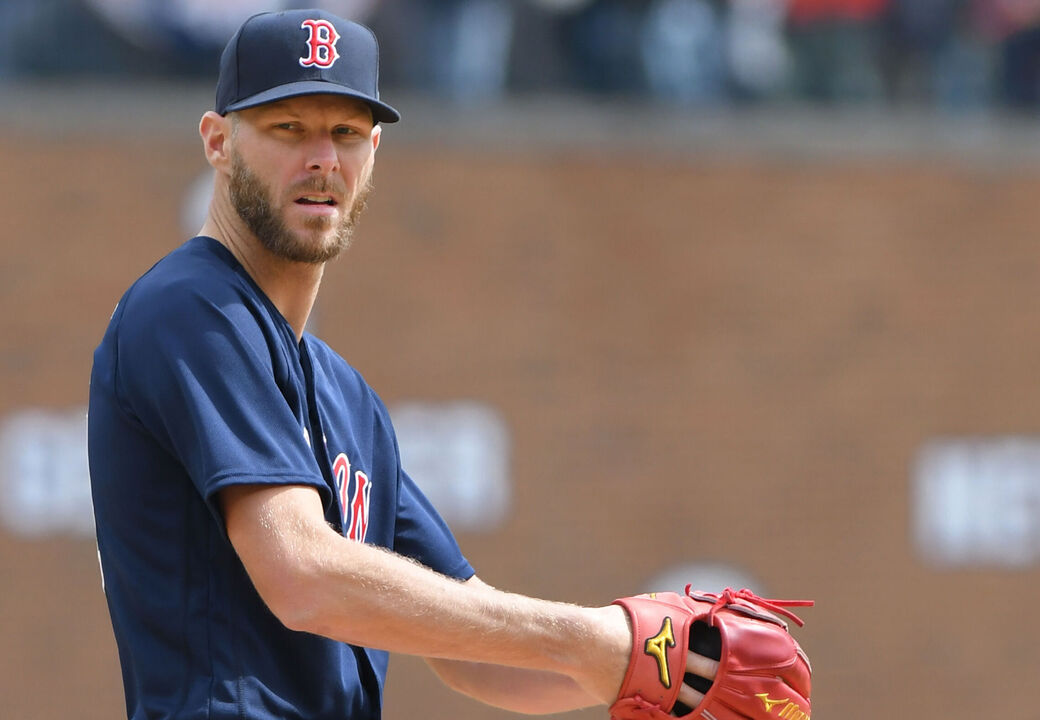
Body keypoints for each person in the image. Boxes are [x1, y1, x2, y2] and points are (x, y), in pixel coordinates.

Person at [87, 9, 720, 719]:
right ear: (218, 142)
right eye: (288, 128)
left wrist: (669, 677)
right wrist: (593, 640)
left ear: (374, 153)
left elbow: (475, 652)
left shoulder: (347, 400)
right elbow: (303, 576)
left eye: (347, 133)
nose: (322, 159)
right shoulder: (190, 308)